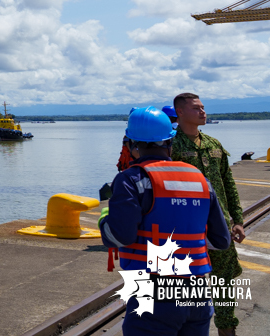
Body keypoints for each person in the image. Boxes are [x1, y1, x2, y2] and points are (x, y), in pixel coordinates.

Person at [99, 107, 231, 335]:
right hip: (197, 291)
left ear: (132, 145)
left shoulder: (131, 180)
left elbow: (121, 236)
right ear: (170, 142)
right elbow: (220, 241)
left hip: (153, 292)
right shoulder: (200, 179)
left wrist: (104, 221)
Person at [172, 93, 245, 334]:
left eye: (203, 108)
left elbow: (228, 183)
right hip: (185, 231)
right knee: (185, 289)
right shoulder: (171, 146)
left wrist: (238, 220)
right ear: (180, 112)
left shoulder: (214, 145)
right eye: (196, 108)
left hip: (219, 227)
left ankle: (227, 330)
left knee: (224, 285)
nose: (203, 112)